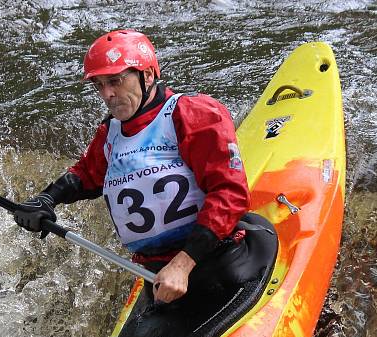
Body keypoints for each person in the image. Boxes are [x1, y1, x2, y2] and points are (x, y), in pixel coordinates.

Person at [14, 29, 250, 303]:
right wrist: (46, 199)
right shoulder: (111, 132)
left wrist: (183, 264)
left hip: (217, 262)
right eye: (99, 85)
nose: (107, 94)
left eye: (115, 81)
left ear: (147, 75)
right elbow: (86, 175)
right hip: (157, 276)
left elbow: (230, 193)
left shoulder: (192, 113)